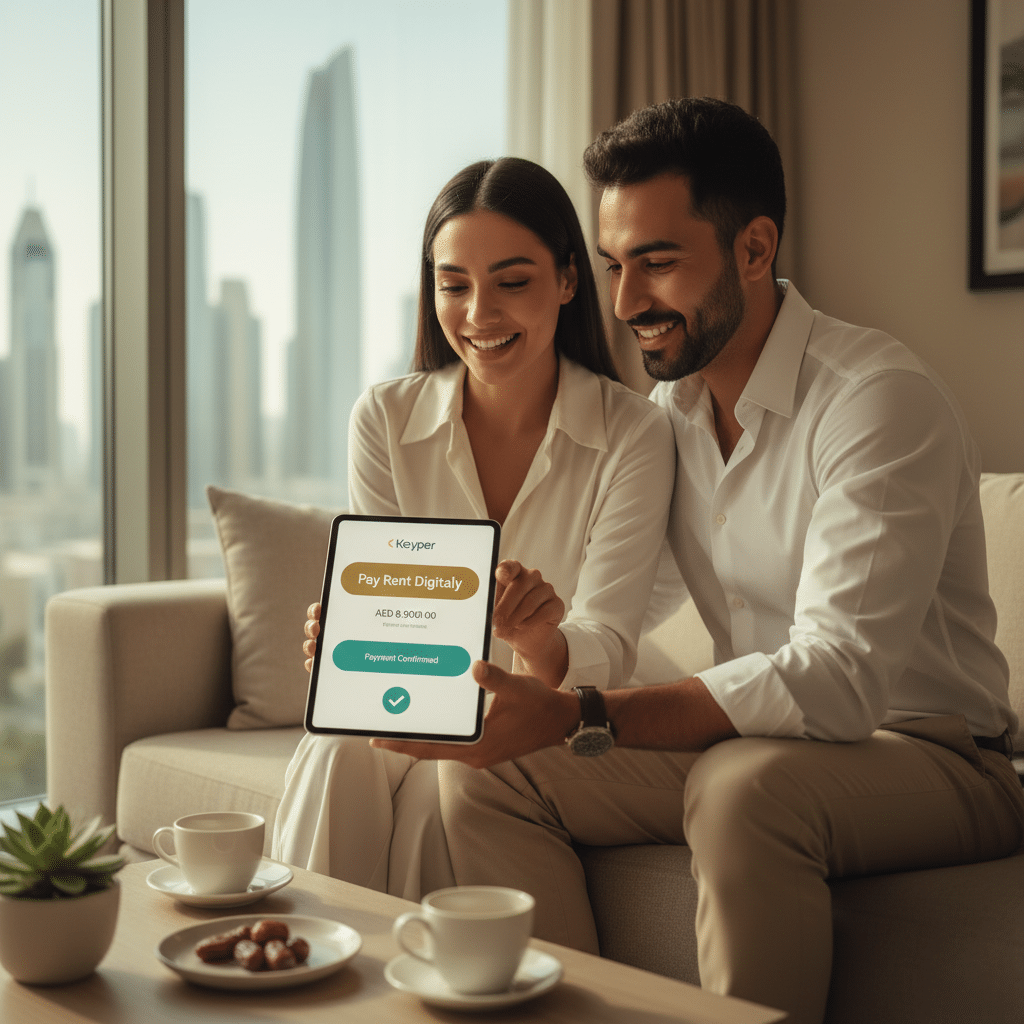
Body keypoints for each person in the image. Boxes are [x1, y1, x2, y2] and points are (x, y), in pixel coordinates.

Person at [370, 99, 1024, 1024]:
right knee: (488, 769)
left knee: (737, 787)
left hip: (939, 755)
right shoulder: (672, 418)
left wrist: (580, 712)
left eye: (659, 261)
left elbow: (838, 682)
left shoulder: (876, 403)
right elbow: (629, 608)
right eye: (614, 265)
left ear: (754, 249)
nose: (628, 299)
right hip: (766, 742)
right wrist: (544, 653)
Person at [271, 157, 676, 900]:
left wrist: (538, 639)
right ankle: (308, 979)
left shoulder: (635, 436)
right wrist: (350, 647)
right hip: (420, 700)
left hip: (552, 717)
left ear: (566, 281)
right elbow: (396, 623)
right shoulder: (385, 419)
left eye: (512, 281)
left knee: (442, 787)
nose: (478, 314)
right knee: (338, 745)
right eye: (454, 284)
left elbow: (609, 646)